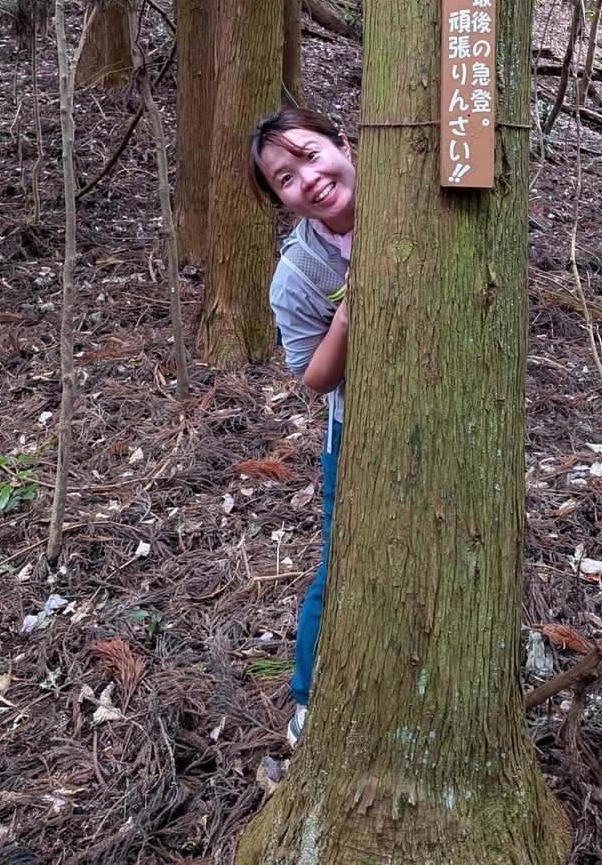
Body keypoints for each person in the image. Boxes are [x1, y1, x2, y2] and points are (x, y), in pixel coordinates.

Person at [248, 107, 354, 748]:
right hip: (358, 432)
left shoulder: (411, 197)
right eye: (286, 178)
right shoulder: (299, 273)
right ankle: (308, 697)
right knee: (341, 561)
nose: (308, 179)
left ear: (343, 143)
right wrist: (349, 311)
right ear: (282, 201)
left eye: (311, 156)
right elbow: (311, 377)